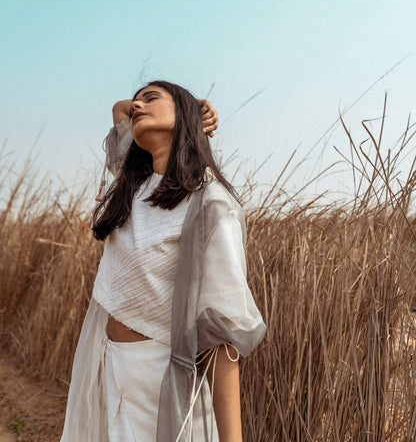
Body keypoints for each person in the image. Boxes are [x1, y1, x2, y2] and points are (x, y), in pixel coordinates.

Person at [61, 81, 266, 442]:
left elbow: (224, 337)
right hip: (109, 366)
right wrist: (173, 104)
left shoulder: (209, 204)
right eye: (137, 102)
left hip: (162, 381)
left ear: (184, 116)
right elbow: (119, 108)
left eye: (151, 99)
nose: (136, 107)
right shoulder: (133, 184)